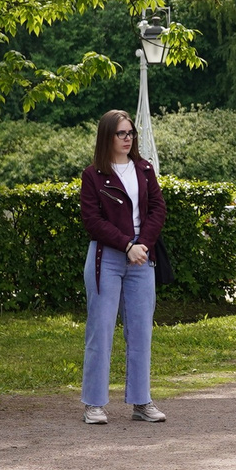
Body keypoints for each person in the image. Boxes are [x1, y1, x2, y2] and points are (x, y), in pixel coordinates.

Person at [78, 109, 166, 426]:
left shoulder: (144, 169)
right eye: (121, 134)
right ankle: (94, 404)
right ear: (107, 136)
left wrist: (143, 244)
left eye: (131, 133)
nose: (128, 139)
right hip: (107, 258)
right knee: (100, 331)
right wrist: (127, 245)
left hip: (142, 258)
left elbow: (158, 209)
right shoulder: (93, 175)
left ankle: (141, 401)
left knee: (141, 332)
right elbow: (92, 220)